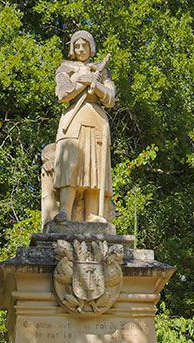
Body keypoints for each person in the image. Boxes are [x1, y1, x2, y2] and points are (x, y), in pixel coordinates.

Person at [52, 30, 116, 223]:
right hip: (73, 119)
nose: (80, 49)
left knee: (95, 167)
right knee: (69, 164)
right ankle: (65, 210)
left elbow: (111, 98)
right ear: (72, 48)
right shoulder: (65, 68)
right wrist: (81, 82)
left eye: (84, 45)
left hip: (97, 119)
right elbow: (62, 94)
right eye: (77, 45)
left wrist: (95, 84)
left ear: (91, 47)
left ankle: (92, 214)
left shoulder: (102, 70)